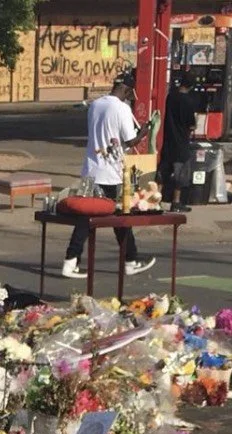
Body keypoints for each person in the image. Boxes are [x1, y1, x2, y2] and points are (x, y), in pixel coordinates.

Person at [63, 71, 155, 280]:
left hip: (90, 170)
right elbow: (130, 141)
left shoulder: (95, 105)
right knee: (121, 218)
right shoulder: (122, 108)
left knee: (85, 218)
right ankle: (130, 261)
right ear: (127, 89)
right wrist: (145, 130)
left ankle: (71, 260)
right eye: (131, 92)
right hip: (111, 173)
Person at [158, 72, 197, 213]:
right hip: (181, 143)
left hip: (168, 141)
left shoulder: (170, 97)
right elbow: (191, 125)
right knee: (180, 176)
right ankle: (176, 202)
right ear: (191, 86)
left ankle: (156, 200)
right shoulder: (189, 102)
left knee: (163, 172)